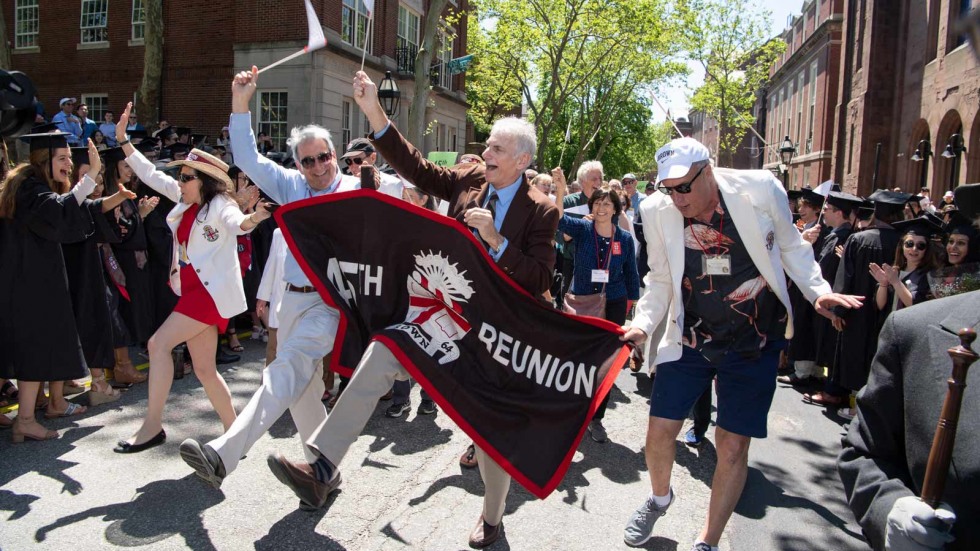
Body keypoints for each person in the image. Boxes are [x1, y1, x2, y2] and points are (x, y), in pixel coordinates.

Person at [257, 70, 558, 549]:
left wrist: (497, 241)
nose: (487, 155)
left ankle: (493, 517)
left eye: (498, 150)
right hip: (443, 317)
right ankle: (322, 466)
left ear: (522, 160)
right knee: (384, 349)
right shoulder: (469, 180)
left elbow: (540, 278)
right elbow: (417, 168)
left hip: (495, 333)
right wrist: (374, 110)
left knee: (489, 435)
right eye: (488, 147)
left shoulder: (542, 210)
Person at [619, 137, 862, 551]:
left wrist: (817, 293)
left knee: (732, 445)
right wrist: (643, 325)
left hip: (756, 339)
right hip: (691, 337)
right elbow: (659, 279)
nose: (677, 198)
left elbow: (792, 249)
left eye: (684, 187)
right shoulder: (655, 210)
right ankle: (660, 498)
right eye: (668, 188)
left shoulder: (761, 189)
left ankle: (708, 540)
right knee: (659, 432)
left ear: (707, 171)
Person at [177, 65, 365, 489]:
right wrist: (240, 102)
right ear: (298, 164)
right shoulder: (290, 186)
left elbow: (414, 194)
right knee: (301, 389)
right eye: (308, 160)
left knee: (284, 371)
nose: (318, 166)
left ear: (335, 155)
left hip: (331, 304)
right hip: (290, 301)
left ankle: (225, 453)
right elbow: (245, 157)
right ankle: (325, 472)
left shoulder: (358, 190)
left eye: (324, 156)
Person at [114, 102, 272, 453]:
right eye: (181, 177)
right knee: (204, 369)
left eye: (186, 177)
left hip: (210, 296)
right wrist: (124, 141)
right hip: (193, 292)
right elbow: (152, 175)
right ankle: (237, 435)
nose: (180, 181)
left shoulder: (220, 206)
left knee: (158, 345)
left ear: (204, 182)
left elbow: (238, 225)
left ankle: (152, 427)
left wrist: (255, 218)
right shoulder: (186, 201)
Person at [838, 183, 980, 551]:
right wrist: (893, 508)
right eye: (909, 244)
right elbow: (865, 452)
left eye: (919, 244)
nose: (914, 248)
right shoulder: (916, 332)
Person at [1, 130, 136, 441]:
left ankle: (29, 412)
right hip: (30, 284)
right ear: (43, 160)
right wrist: (90, 177)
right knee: (34, 348)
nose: (67, 164)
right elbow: (59, 208)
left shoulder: (29, 187)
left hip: (32, 281)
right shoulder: (29, 188)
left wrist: (110, 195)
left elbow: (73, 210)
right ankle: (24, 419)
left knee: (34, 347)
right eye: (62, 159)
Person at [554, 172, 639, 443]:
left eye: (607, 204)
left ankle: (597, 419)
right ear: (591, 207)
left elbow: (631, 272)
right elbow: (557, 218)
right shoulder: (581, 228)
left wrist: (632, 305)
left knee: (605, 363)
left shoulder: (624, 238)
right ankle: (572, 414)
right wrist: (559, 190)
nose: (601, 208)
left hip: (614, 301)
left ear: (615, 209)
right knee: (578, 359)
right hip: (582, 301)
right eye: (597, 203)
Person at [824, 190, 908, 412]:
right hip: (891, 308)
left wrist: (839, 312)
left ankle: (856, 403)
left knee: (856, 352)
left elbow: (845, 278)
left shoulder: (858, 239)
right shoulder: (904, 242)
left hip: (858, 309)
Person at [869, 217, 941, 312]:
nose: (914, 249)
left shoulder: (929, 276)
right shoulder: (896, 271)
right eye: (909, 244)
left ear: (927, 249)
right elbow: (880, 306)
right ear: (902, 246)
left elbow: (915, 305)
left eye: (921, 245)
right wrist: (883, 284)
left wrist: (896, 282)